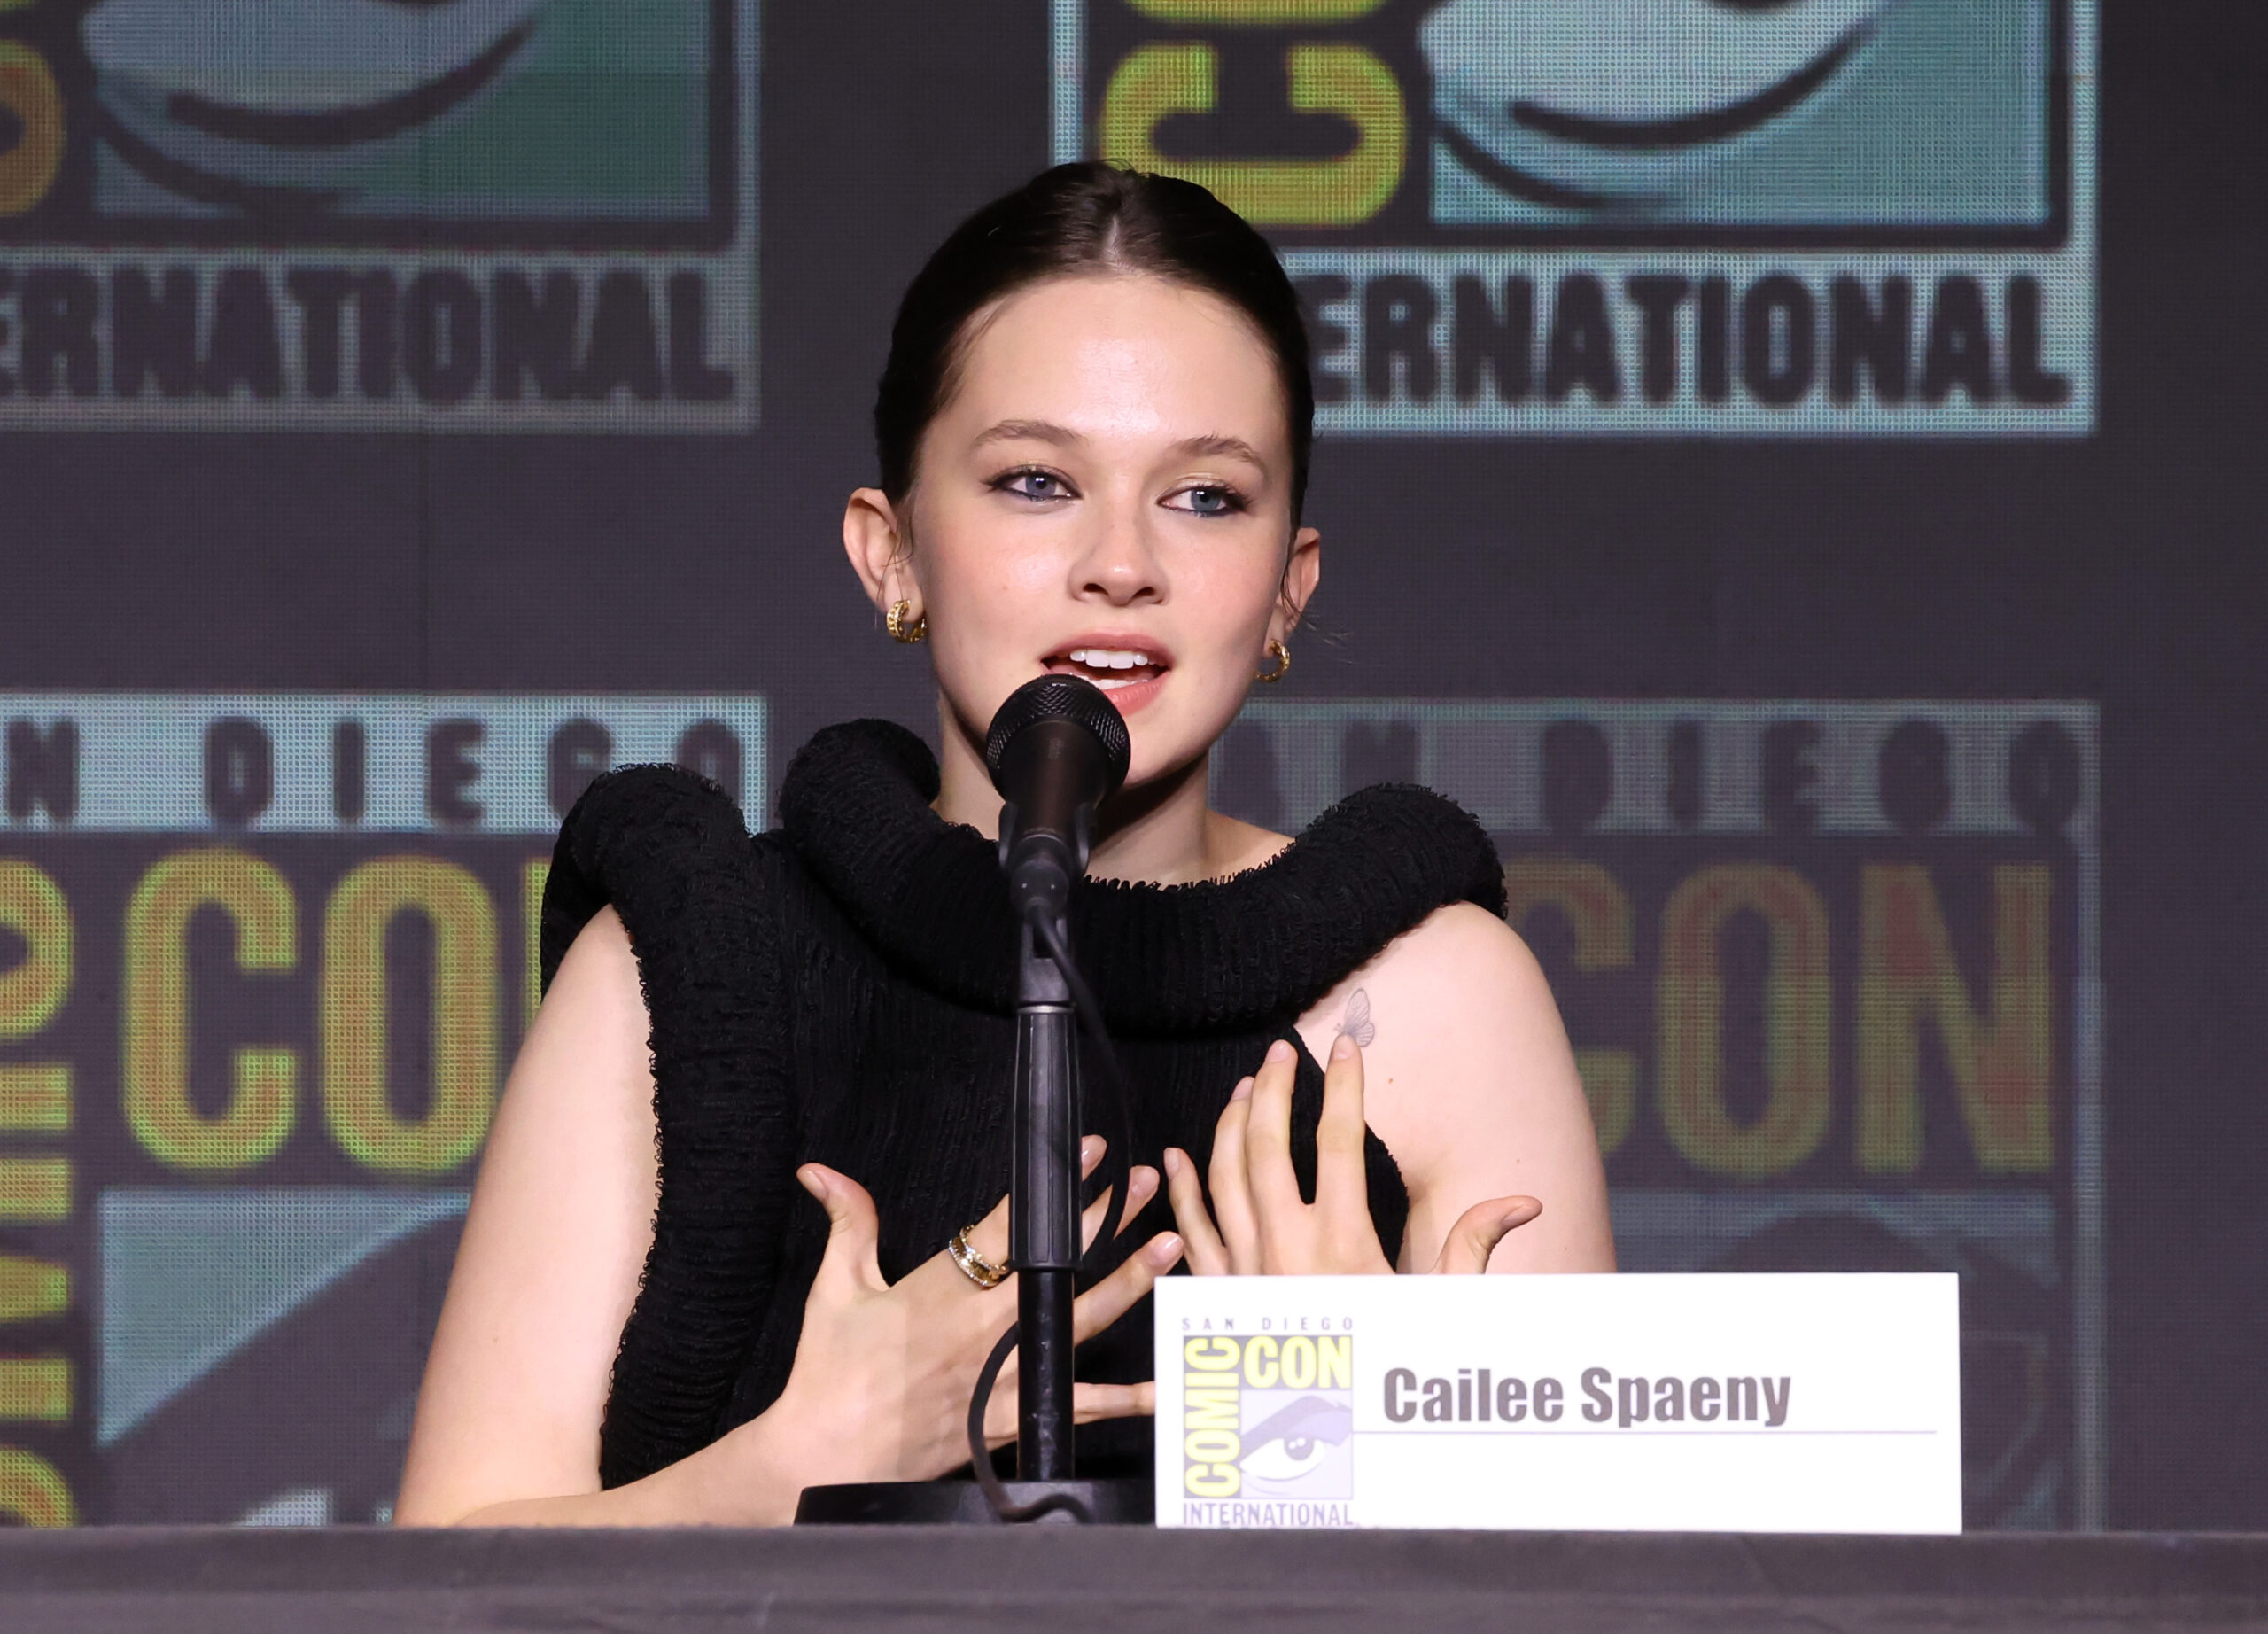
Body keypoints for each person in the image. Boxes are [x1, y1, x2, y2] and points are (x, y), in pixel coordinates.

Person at [393, 162, 1615, 1528]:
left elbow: (1613, 1594)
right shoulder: (685, 968)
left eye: (1206, 497)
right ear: (893, 554)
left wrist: (1368, 1430)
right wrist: (796, 1461)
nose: (1121, 562)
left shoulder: (1438, 1000)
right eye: (1036, 482)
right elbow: (440, 1576)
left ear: (1288, 587)